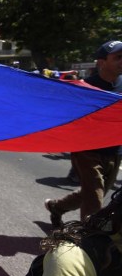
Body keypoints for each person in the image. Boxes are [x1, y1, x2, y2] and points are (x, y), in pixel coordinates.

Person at [44, 40, 122, 228]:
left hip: (115, 151)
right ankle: (87, 242)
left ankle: (57, 207)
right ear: (101, 63)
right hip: (87, 151)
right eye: (118, 57)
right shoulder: (85, 87)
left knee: (94, 192)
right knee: (95, 199)